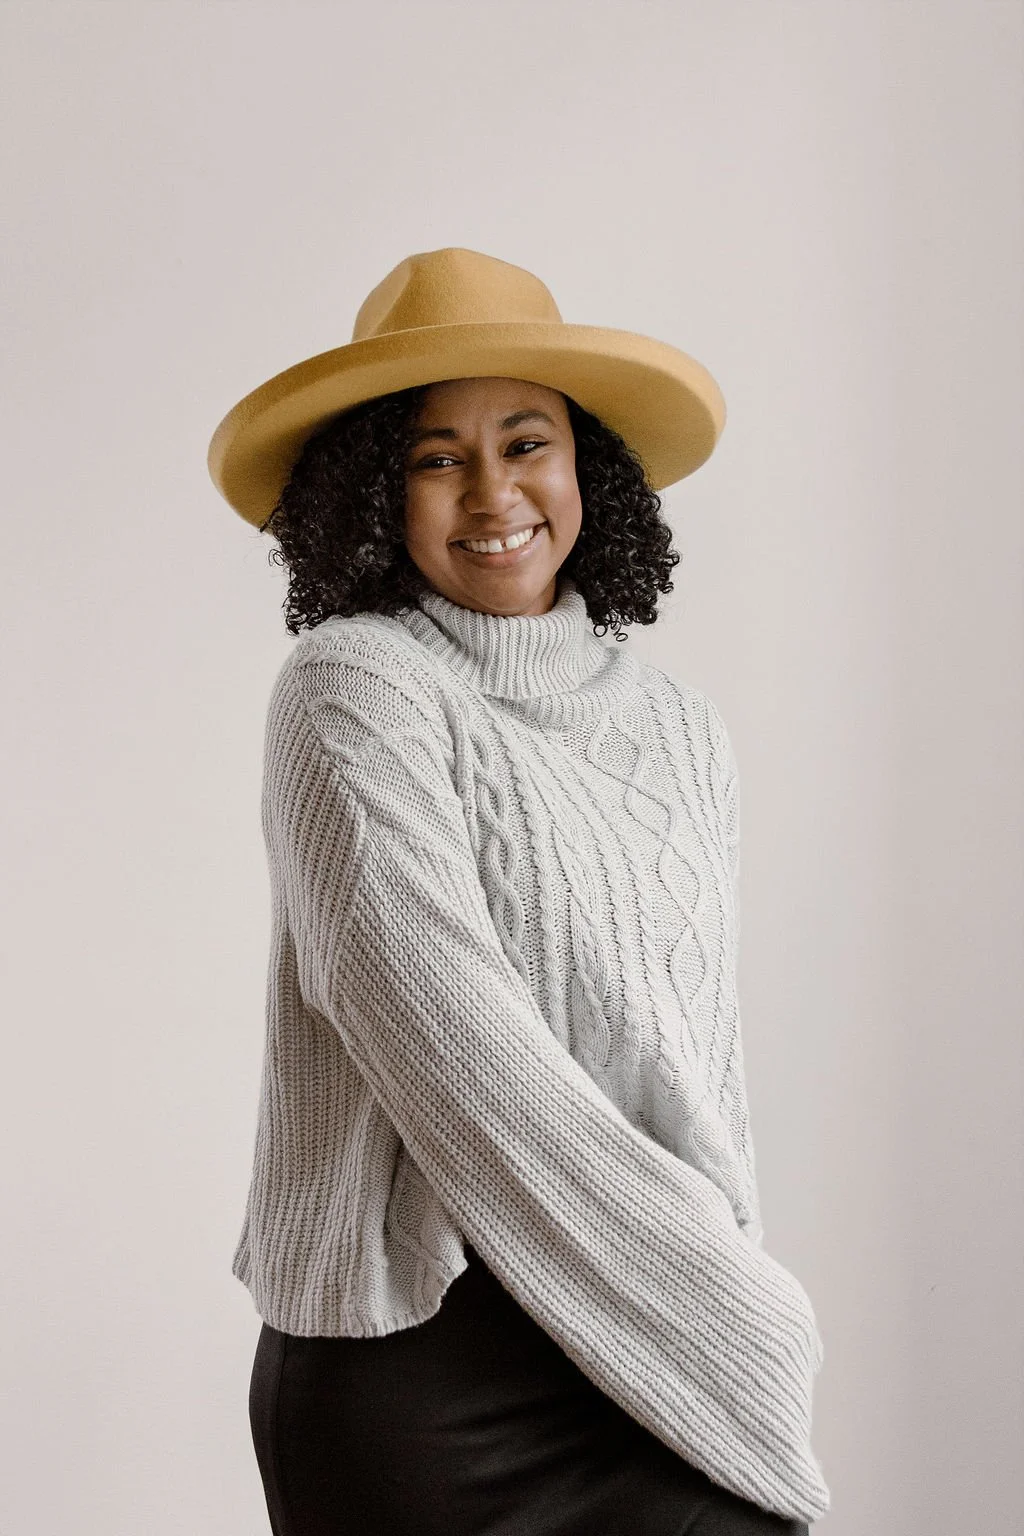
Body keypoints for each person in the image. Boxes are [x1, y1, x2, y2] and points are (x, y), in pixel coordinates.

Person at [207, 247, 830, 1535]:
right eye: (436, 456)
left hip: (655, 1320)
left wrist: (726, 1290)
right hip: (429, 1364)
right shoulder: (353, 692)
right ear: (374, 495)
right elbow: (446, 1042)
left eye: (526, 441)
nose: (492, 492)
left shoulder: (679, 729)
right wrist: (725, 1297)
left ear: (585, 468)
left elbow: (696, 1062)